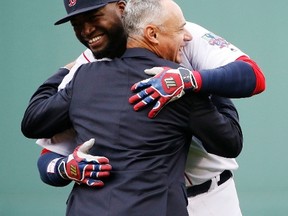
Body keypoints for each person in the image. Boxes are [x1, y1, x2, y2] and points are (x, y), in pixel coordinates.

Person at [24, 0, 266, 215]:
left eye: (94, 16)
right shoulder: (84, 69)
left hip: (210, 195)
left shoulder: (178, 31)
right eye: (77, 23)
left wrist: (193, 80)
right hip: (156, 202)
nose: (87, 30)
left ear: (121, 8)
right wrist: (64, 169)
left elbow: (254, 76)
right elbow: (47, 145)